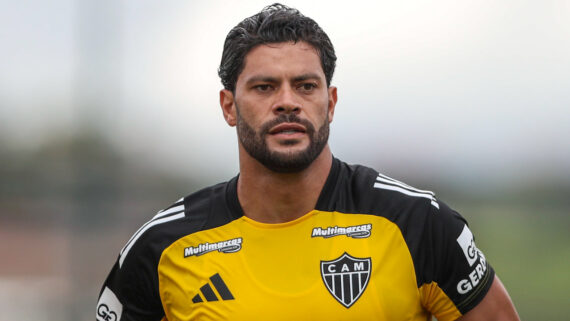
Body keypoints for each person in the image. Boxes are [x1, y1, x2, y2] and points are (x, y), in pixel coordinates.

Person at [97, 3, 520, 321]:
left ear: (329, 102)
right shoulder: (161, 249)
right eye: (264, 87)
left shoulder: (416, 224)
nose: (287, 103)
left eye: (305, 86)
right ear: (229, 106)